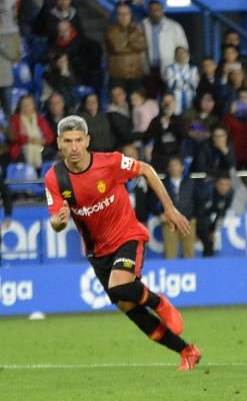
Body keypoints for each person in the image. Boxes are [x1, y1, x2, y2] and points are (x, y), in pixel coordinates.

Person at [44, 115, 200, 370]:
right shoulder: (54, 178)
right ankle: (186, 350)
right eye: (68, 141)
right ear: (59, 143)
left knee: (119, 287)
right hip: (97, 251)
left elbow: (146, 170)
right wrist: (58, 221)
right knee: (130, 308)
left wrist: (169, 208)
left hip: (127, 235)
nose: (74, 147)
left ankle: (159, 302)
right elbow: (56, 223)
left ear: (87, 141)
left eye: (78, 140)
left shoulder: (110, 162)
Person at [160, 156, 198, 259]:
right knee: (170, 254)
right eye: (171, 166)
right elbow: (154, 201)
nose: (173, 168)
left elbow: (197, 201)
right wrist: (159, 214)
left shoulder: (190, 182)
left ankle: (190, 274)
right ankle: (171, 274)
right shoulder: (162, 184)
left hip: (188, 220)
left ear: (182, 167)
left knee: (189, 252)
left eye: (176, 165)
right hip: (170, 222)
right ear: (168, 168)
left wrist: (195, 217)